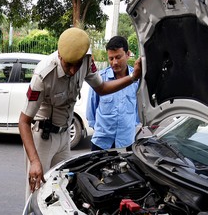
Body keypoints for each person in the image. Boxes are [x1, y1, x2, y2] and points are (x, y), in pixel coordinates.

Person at [19, 28, 142, 196]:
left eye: (76, 65)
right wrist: (34, 161)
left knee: (62, 190)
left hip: (64, 137)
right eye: (68, 65)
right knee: (36, 192)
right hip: (43, 138)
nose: (72, 71)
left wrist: (133, 77)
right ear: (60, 56)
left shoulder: (85, 60)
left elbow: (102, 88)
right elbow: (23, 121)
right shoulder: (43, 74)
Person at [87, 36, 140, 151]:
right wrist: (99, 130)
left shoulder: (137, 80)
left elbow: (138, 110)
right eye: (111, 58)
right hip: (101, 143)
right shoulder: (100, 79)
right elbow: (91, 110)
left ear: (128, 54)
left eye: (118, 57)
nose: (114, 62)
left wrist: (130, 127)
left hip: (126, 143)